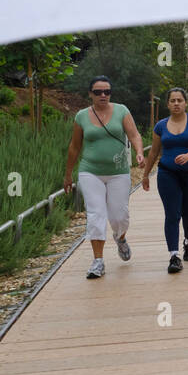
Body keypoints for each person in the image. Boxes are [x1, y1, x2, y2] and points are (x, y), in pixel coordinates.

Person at [64, 76, 146, 279]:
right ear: (90, 93)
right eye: (98, 92)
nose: (103, 95)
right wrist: (68, 174)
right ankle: (98, 261)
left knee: (119, 216)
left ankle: (120, 237)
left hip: (118, 172)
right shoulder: (81, 116)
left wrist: (139, 152)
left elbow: (134, 134)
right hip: (90, 171)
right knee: (96, 214)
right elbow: (74, 147)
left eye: (107, 92)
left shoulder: (121, 110)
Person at [141, 87, 188, 273]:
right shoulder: (161, 126)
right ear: (168, 104)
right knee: (172, 214)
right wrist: (145, 175)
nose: (176, 103)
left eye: (179, 100)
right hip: (167, 174)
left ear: (185, 103)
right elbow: (154, 151)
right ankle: (174, 255)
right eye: (173, 101)